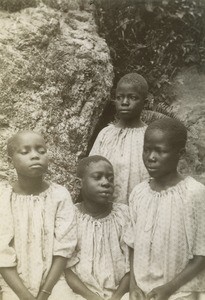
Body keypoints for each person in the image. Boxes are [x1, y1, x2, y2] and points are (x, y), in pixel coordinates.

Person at [125, 118, 205, 300]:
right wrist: (133, 286)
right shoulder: (138, 193)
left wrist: (169, 289)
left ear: (180, 153)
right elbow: (132, 245)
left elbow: (202, 255)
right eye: (146, 149)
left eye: (160, 151)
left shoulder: (194, 194)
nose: (151, 157)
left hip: (180, 291)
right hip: (141, 291)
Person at [0, 131, 77, 300]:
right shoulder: (3, 197)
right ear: (9, 160)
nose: (35, 156)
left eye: (41, 151)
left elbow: (63, 249)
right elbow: (2, 254)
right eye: (25, 151)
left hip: (53, 281)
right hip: (14, 284)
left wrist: (44, 294)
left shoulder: (59, 195)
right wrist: (25, 296)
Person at [64, 155, 130, 300]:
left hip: (121, 293)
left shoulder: (123, 215)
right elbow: (65, 266)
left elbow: (132, 264)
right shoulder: (70, 216)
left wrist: (117, 297)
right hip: (80, 293)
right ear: (78, 183)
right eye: (97, 177)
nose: (106, 183)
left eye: (110, 178)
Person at [89, 73, 149, 204]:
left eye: (132, 97)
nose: (125, 102)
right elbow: (91, 171)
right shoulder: (105, 134)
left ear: (145, 102)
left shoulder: (149, 135)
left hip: (141, 206)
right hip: (107, 208)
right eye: (119, 97)